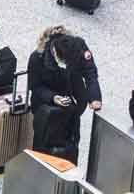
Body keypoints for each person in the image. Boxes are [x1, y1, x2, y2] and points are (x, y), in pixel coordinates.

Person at [28, 28, 101, 164]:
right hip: (46, 110)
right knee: (44, 149)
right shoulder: (38, 57)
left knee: (71, 147)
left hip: (70, 108)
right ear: (55, 52)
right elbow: (35, 87)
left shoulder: (78, 47)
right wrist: (53, 97)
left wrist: (94, 97)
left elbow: (90, 73)